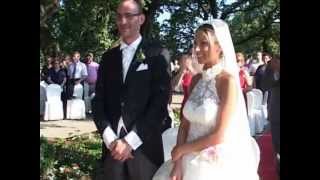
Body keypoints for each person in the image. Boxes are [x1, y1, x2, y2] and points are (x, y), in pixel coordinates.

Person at [153, 19, 259, 180]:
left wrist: (183, 150)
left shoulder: (227, 82)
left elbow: (219, 135)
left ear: (219, 47)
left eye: (204, 43)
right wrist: (179, 161)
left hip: (212, 163)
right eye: (195, 43)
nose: (196, 49)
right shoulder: (195, 80)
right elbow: (184, 125)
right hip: (185, 157)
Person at [91, 0, 171, 179]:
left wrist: (130, 141)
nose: (123, 21)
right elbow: (98, 101)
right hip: (112, 150)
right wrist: (110, 139)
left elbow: (160, 103)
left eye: (128, 15)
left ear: (141, 19)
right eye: (119, 16)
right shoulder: (107, 58)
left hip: (144, 151)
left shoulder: (157, 54)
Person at [260, 54, 280, 175]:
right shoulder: (271, 66)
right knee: (277, 147)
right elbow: (264, 86)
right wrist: (275, 71)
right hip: (277, 113)